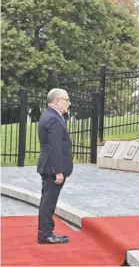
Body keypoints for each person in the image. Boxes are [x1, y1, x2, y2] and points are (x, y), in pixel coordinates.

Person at [37, 88, 73, 244]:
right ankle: (45, 234)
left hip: (48, 166)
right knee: (49, 202)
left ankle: (46, 232)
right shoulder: (53, 118)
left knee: (47, 200)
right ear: (57, 100)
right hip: (52, 168)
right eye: (66, 99)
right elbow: (55, 147)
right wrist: (58, 171)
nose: (69, 103)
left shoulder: (49, 115)